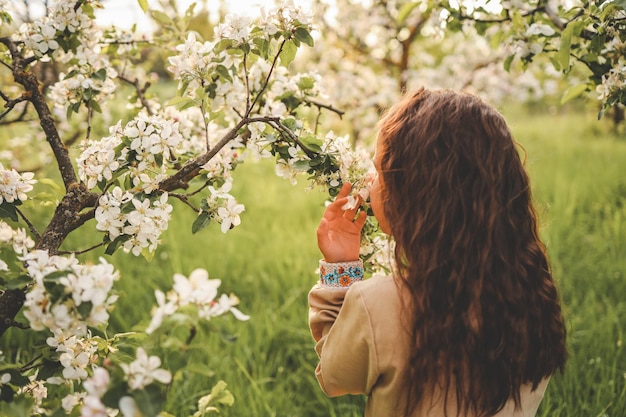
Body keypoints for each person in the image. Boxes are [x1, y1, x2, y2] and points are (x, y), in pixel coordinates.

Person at [308, 87, 568, 417]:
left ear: (411, 192)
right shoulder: (531, 292)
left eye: (379, 171)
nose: (370, 183)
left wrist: (341, 271)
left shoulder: (379, 304)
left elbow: (335, 376)